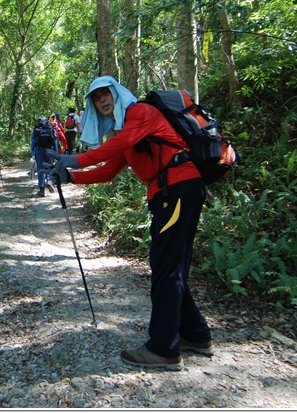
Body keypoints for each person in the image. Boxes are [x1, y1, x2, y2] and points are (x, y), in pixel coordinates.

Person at [43, 75, 213, 371]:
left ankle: (163, 349)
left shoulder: (140, 113)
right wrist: (70, 175)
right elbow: (108, 170)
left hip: (177, 188)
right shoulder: (125, 129)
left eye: (105, 94)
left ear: (117, 93)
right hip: (174, 190)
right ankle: (196, 334)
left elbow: (118, 145)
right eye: (96, 99)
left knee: (166, 267)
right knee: (171, 265)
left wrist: (76, 160)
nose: (102, 101)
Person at [30, 117, 56, 196]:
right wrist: (55, 153)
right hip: (49, 150)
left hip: (39, 150)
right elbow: (55, 142)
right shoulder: (51, 129)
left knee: (40, 169)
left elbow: (33, 142)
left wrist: (33, 152)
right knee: (49, 167)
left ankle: (41, 189)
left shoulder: (37, 130)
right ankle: (48, 181)